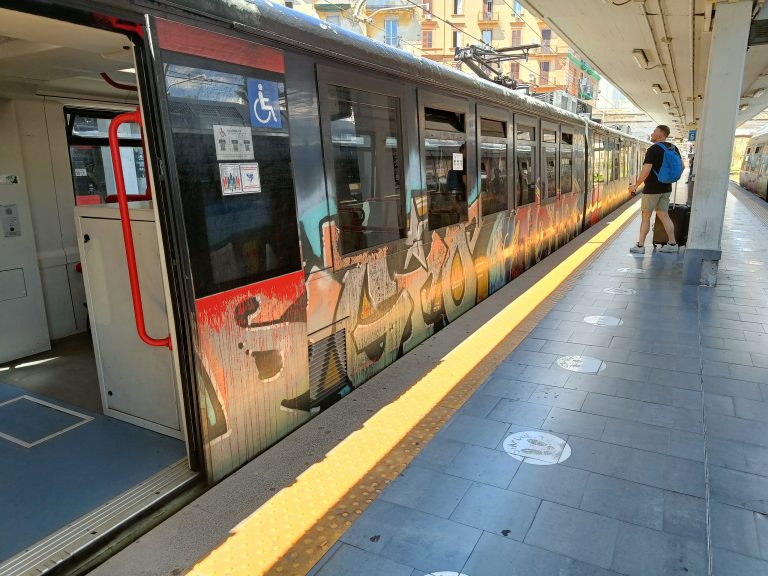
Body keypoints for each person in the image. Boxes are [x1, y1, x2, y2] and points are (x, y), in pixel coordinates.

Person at [628, 125, 681, 253]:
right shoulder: (673, 148)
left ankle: (640, 246)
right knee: (664, 216)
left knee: (646, 217)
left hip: (652, 189)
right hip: (666, 188)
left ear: (659, 135)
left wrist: (636, 185)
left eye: (654, 132)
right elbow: (682, 166)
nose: (652, 134)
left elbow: (646, 170)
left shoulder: (653, 149)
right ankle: (672, 244)